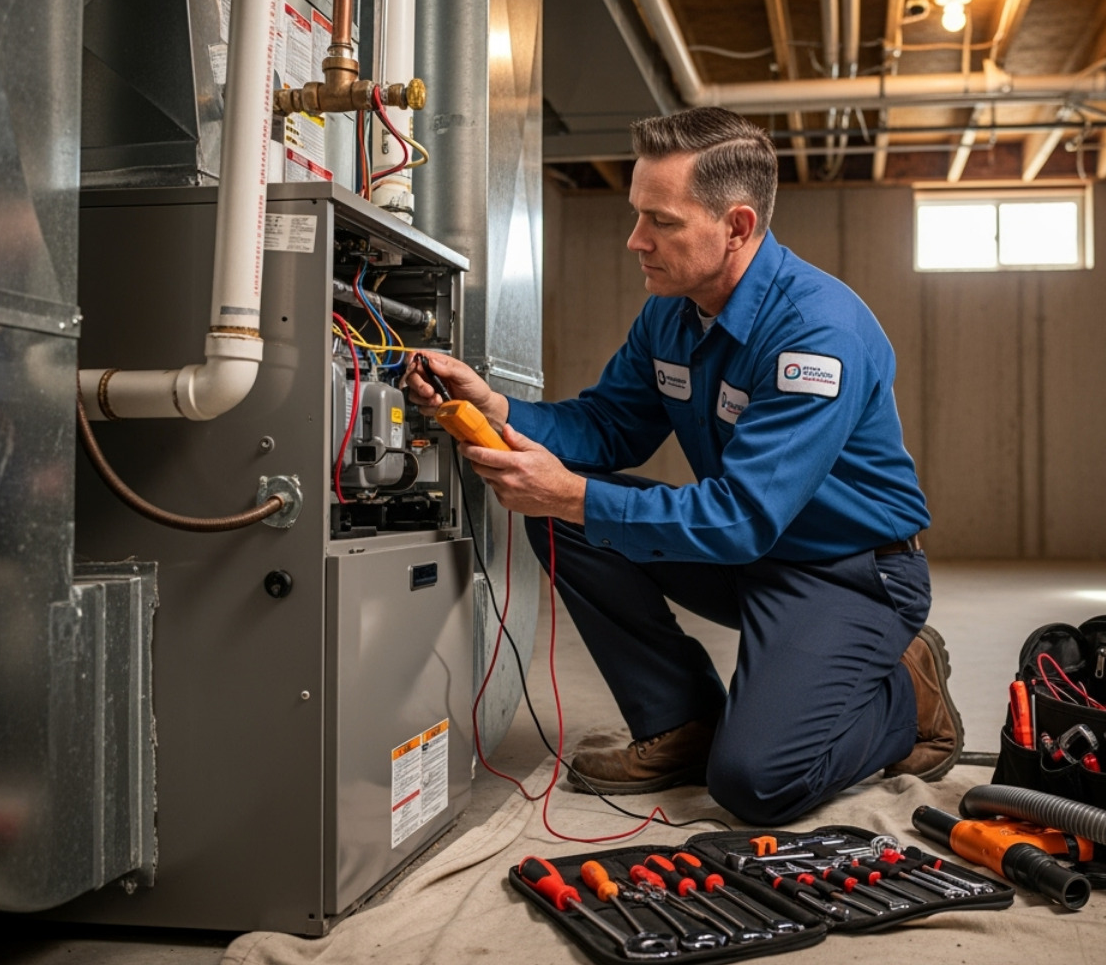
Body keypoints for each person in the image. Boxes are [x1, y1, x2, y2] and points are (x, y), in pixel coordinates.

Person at [404, 107, 961, 826]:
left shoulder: (816, 335)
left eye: (661, 222)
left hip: (846, 571)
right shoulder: (673, 311)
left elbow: (742, 517)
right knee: (567, 517)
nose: (636, 241)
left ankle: (906, 698)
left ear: (736, 226)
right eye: (638, 215)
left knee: (757, 784)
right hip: (750, 554)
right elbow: (608, 427)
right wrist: (502, 411)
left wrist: (574, 496)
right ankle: (681, 722)